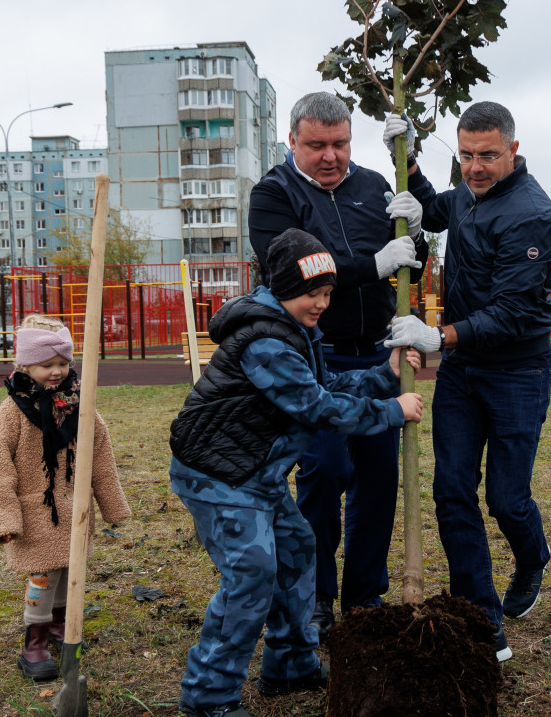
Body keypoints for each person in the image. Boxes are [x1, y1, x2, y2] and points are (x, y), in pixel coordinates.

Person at [169, 228, 424, 717]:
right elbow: (318, 408)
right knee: (252, 574)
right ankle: (207, 696)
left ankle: (289, 664)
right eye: (314, 293)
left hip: (254, 474)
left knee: (296, 551)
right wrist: (393, 410)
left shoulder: (293, 331)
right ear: (285, 288)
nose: (323, 303)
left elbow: (326, 384)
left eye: (328, 293)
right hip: (219, 477)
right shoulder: (265, 341)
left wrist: (385, 373)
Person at [247, 91, 434, 636]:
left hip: (378, 353)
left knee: (378, 479)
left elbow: (410, 273)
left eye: (340, 144)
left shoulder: (375, 186)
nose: (330, 156)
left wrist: (417, 236)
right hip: (314, 357)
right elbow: (296, 274)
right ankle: (319, 595)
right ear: (292, 142)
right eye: (317, 145)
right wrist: (376, 263)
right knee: (325, 474)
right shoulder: (272, 195)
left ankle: (364, 598)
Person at [385, 101, 551, 663]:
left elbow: (513, 311)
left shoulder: (534, 216)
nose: (475, 167)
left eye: (488, 155)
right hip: (465, 371)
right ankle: (483, 617)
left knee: (506, 500)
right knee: (452, 490)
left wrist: (439, 336)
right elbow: (440, 210)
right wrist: (408, 164)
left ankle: (533, 557)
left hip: (517, 368)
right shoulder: (468, 189)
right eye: (465, 155)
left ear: (513, 149)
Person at [0, 313, 132, 682]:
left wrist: (111, 505)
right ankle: (34, 640)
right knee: (44, 576)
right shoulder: (12, 412)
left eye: (63, 363)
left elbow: (101, 456)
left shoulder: (81, 404)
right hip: (35, 513)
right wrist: (3, 519)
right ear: (26, 364)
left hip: (75, 510)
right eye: (47, 364)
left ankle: (61, 625)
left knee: (70, 571)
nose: (57, 372)